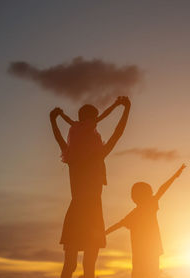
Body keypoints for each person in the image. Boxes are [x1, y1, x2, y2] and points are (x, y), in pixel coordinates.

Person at [49, 96, 131, 278]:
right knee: (89, 268)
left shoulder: (71, 156)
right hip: (93, 212)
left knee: (69, 266)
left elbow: (58, 138)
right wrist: (126, 109)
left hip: (76, 211)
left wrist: (53, 120)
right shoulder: (98, 155)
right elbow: (118, 133)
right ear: (94, 122)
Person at [105, 164, 186, 278]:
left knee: (144, 274)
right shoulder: (146, 207)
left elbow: (117, 225)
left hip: (145, 252)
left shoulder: (141, 210)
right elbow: (162, 190)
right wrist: (175, 175)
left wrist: (103, 234)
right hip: (149, 250)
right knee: (150, 274)